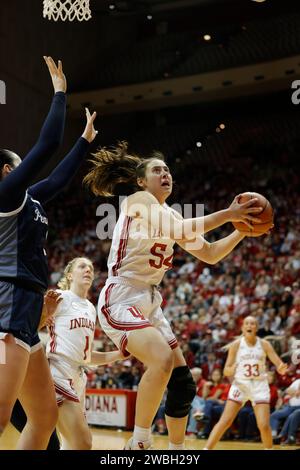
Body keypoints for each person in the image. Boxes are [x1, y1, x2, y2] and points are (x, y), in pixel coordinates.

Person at [83, 143, 265, 450]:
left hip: (150, 301)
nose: (165, 174)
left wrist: (240, 232)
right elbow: (179, 231)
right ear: (141, 181)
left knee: (183, 384)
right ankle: (139, 442)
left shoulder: (170, 214)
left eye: (167, 170)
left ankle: (176, 451)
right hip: (122, 296)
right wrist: (229, 214)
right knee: (162, 358)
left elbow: (209, 253)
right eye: (157, 170)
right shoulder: (138, 201)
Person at [0, 56, 98, 450]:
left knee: (44, 416)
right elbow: (47, 145)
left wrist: (85, 142)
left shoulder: (28, 197)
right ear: (8, 172)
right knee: (1, 412)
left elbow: (57, 178)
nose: (28, 170)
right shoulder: (6, 195)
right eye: (21, 166)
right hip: (8, 301)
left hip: (27, 305)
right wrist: (60, 95)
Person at [44, 257, 125, 450]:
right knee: (83, 442)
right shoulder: (59, 296)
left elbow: (86, 356)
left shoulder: (90, 308)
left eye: (90, 267)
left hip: (79, 377)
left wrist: (119, 354)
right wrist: (45, 314)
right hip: (58, 371)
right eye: (82, 266)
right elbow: (34, 319)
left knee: (72, 444)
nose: (88, 270)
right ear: (70, 275)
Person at [204, 316, 288, 450]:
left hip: (259, 386)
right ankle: (206, 449)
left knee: (263, 425)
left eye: (253, 323)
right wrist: (230, 369)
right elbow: (226, 371)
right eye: (247, 323)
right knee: (225, 421)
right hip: (241, 385)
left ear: (256, 328)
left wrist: (282, 369)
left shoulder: (264, 344)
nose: (250, 325)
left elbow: (279, 364)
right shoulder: (236, 345)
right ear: (243, 327)